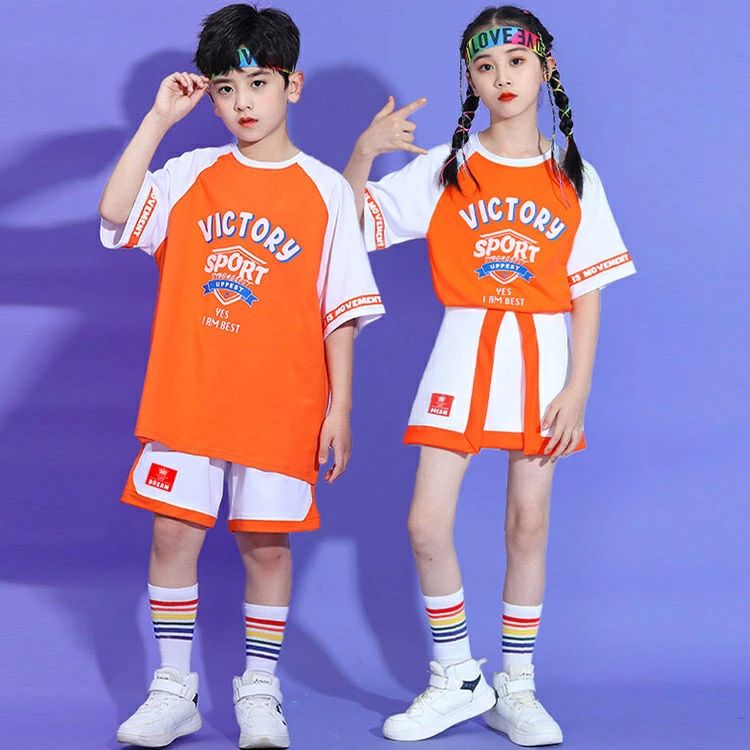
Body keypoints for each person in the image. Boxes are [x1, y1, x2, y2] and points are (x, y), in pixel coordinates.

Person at [343, 5, 635, 745]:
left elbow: (588, 291)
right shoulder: (449, 166)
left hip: (544, 359)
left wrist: (579, 389)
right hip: (462, 348)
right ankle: (456, 676)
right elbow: (347, 229)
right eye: (484, 66)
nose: (502, 77)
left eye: (515, 61)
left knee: (527, 525)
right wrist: (363, 153)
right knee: (425, 523)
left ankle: (518, 686)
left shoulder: (574, 175)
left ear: (545, 68)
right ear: (470, 79)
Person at [98, 4, 384, 748]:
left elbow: (340, 309)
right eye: (225, 89)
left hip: (282, 401)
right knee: (172, 534)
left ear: (294, 85)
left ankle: (259, 687)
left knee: (267, 545)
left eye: (258, 83)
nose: (242, 103)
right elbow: (116, 210)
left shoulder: (325, 190)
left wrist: (341, 407)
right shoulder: (191, 173)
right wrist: (158, 121)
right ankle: (173, 688)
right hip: (190, 393)